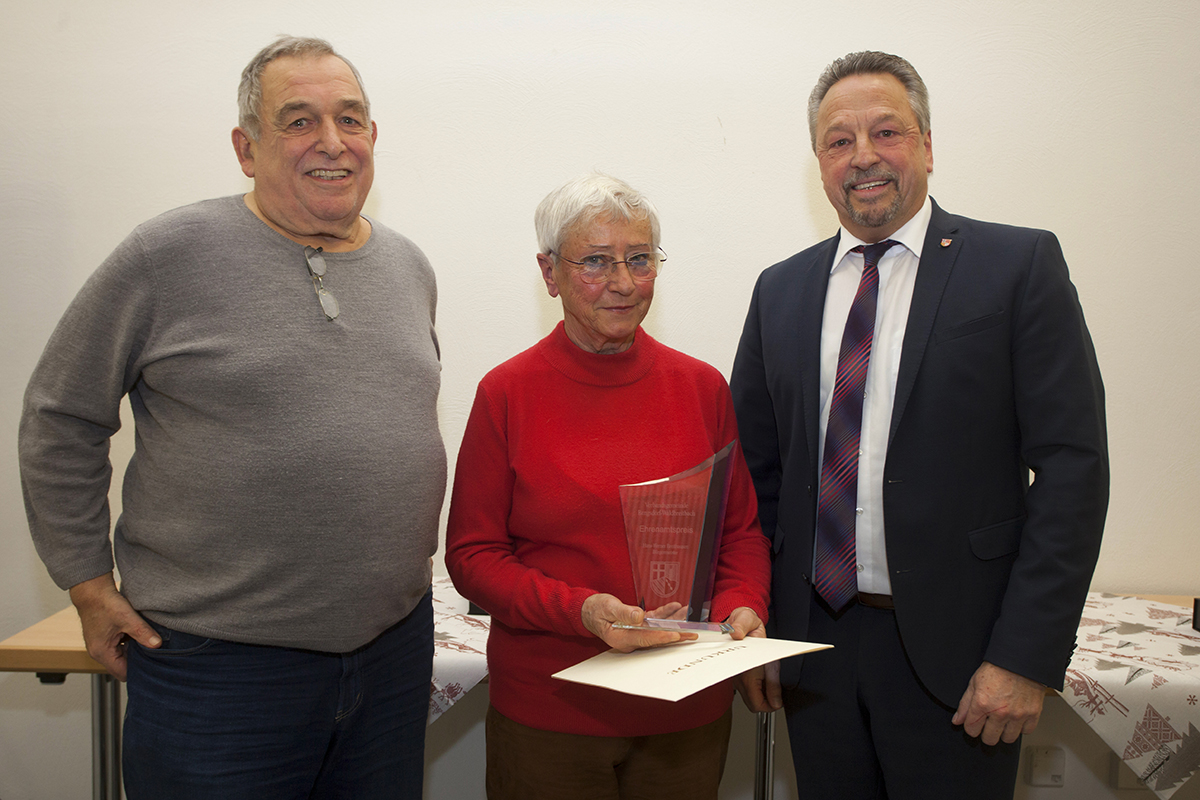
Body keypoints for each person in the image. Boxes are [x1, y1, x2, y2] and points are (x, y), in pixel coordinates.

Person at [18, 36, 445, 799]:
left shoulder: (409, 266)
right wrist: (85, 582)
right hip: (218, 672)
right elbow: (60, 414)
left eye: (350, 119)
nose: (332, 142)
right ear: (246, 148)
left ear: (373, 138)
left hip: (391, 653)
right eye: (299, 121)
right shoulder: (166, 254)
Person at [729, 51, 1108, 798]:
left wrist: (1025, 656)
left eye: (886, 132)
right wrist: (762, 631)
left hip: (965, 662)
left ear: (928, 146)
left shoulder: (1016, 264)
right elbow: (755, 481)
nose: (863, 155)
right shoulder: (781, 291)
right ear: (819, 163)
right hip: (816, 653)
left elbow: (1072, 470)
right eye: (839, 140)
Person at [445, 173, 772, 800]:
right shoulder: (506, 394)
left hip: (687, 707)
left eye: (640, 259)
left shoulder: (701, 388)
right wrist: (583, 611)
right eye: (595, 261)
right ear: (549, 272)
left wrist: (742, 603)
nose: (622, 282)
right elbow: (473, 557)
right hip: (554, 707)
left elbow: (740, 533)